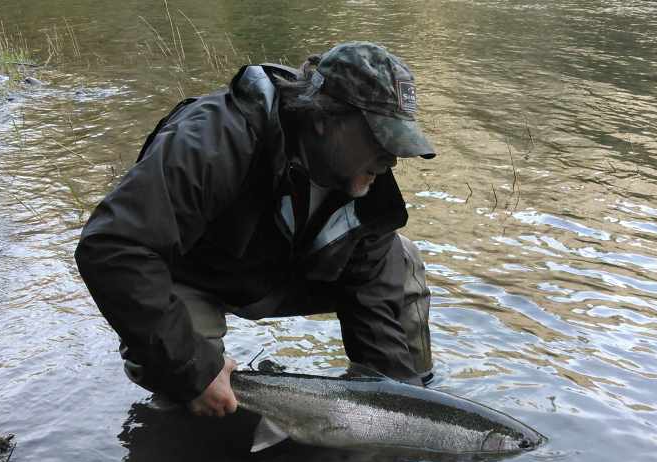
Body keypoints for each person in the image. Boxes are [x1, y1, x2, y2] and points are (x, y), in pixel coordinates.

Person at [75, 41, 436, 418]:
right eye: (381, 138)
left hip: (279, 276)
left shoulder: (370, 192)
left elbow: (374, 311)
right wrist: (193, 370)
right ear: (324, 119)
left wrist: (403, 418)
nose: (391, 159)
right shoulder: (215, 138)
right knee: (179, 378)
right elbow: (112, 247)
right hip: (195, 277)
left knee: (401, 257)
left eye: (398, 143)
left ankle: (423, 399)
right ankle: (180, 435)